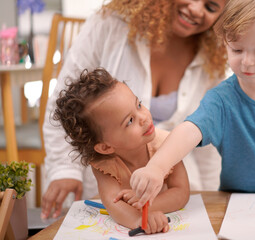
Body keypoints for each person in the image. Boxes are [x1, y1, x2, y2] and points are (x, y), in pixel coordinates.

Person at [129, 0, 255, 208]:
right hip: (242, 207)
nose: (246, 61)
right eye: (236, 49)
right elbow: (190, 130)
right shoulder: (221, 100)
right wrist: (157, 167)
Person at [41, 0, 227, 219]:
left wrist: (213, 197)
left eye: (211, 7)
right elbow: (65, 105)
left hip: (180, 200)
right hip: (104, 201)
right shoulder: (111, 24)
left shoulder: (212, 57)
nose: (196, 9)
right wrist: (65, 170)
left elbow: (207, 139)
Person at [52, 68, 190, 233]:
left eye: (139, 105)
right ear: (106, 147)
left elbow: (181, 192)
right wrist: (138, 219)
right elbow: (113, 203)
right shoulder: (104, 163)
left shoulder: (167, 144)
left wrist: (145, 205)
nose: (144, 117)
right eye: (130, 121)